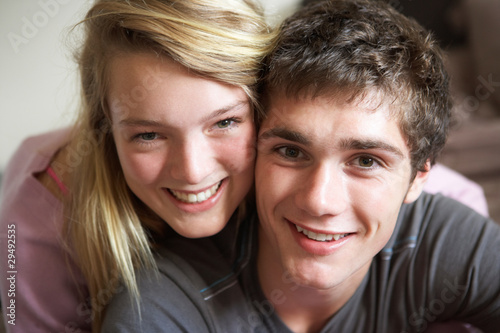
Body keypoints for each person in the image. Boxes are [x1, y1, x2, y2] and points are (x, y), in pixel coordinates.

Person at [101, 0, 500, 332]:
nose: (319, 201)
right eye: (291, 152)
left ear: (419, 176)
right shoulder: (163, 307)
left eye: (365, 161)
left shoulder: (444, 244)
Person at [0, 0, 275, 332]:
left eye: (225, 122)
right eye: (149, 135)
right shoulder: (30, 236)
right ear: (105, 129)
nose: (193, 171)